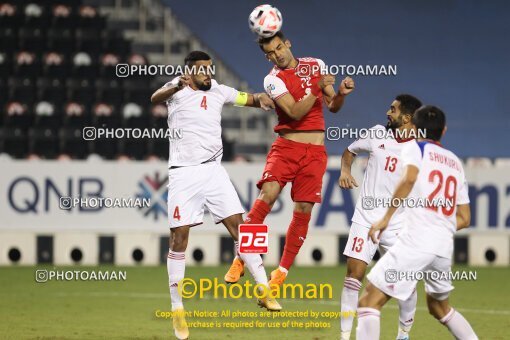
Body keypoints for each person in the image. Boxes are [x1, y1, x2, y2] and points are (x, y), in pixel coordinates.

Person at [151, 50, 281, 340]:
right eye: (202, 70)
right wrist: (175, 85)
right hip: (183, 173)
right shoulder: (177, 89)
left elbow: (250, 99)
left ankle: (264, 289)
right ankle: (177, 309)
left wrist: (267, 99)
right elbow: (155, 98)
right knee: (179, 237)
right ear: (189, 71)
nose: (208, 73)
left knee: (242, 229)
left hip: (214, 172)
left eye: (210, 68)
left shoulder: (220, 91)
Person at [224, 31, 355, 290]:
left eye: (278, 48)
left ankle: (281, 273)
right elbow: (294, 112)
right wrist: (317, 88)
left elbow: (333, 107)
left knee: (304, 210)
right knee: (267, 195)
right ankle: (242, 257)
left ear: (288, 43)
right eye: (269, 53)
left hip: (315, 153)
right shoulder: (272, 80)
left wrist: (340, 93)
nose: (276, 55)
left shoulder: (316, 65)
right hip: (286, 148)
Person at [356, 106, 478, 340]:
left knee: (369, 301)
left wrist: (386, 218)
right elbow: (465, 218)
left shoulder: (415, 148)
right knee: (440, 308)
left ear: (415, 128)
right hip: (442, 248)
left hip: (416, 242)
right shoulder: (454, 162)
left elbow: (410, 177)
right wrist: (439, 224)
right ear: (444, 130)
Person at [338, 94, 422, 340]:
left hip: (398, 225)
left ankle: (403, 335)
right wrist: (345, 170)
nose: (388, 112)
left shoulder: (420, 149)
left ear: (407, 118)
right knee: (354, 275)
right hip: (365, 218)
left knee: (405, 282)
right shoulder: (376, 134)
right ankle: (345, 336)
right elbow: (349, 151)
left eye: (393, 110)